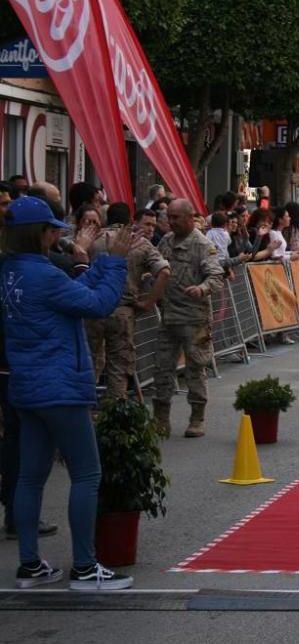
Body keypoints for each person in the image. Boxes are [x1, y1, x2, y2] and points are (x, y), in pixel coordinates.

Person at [1, 196, 134, 590]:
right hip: (60, 384)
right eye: (52, 229)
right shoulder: (41, 274)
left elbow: (71, 293)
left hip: (27, 384)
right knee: (87, 474)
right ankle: (85, 567)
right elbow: (98, 304)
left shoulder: (12, 270)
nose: (57, 234)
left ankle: (30, 565)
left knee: (30, 477)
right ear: (40, 234)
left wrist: (89, 257)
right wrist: (114, 261)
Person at [152, 200, 225, 438]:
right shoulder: (166, 242)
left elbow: (216, 276)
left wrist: (201, 289)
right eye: (169, 217)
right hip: (169, 317)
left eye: (175, 217)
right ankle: (161, 418)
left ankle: (197, 417)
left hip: (195, 319)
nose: (170, 221)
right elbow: (158, 266)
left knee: (196, 368)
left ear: (189, 218)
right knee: (162, 369)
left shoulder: (202, 245)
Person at [85, 203, 171, 401]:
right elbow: (165, 272)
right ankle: (116, 411)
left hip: (93, 307)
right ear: (130, 221)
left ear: (107, 219)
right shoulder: (140, 243)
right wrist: (149, 302)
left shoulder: (94, 240)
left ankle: (84, 408)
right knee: (119, 364)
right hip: (122, 309)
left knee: (89, 359)